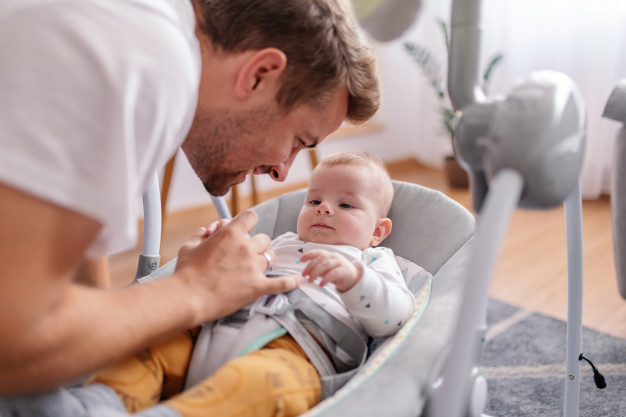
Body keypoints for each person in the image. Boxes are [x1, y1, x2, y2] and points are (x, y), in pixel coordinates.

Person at [0, 0, 380, 399]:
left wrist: (91, 349)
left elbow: (69, 223)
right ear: (259, 75)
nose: (283, 171)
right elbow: (13, 342)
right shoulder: (143, 58)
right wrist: (196, 290)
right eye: (298, 141)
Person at [75, 151, 417, 417]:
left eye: (345, 204)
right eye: (314, 201)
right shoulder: (282, 242)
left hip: (297, 350)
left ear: (377, 232)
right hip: (215, 327)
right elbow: (237, 265)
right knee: (155, 344)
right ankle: (99, 401)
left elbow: (396, 317)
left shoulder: (372, 262)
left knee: (260, 385)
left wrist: (354, 281)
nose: (324, 209)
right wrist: (218, 243)